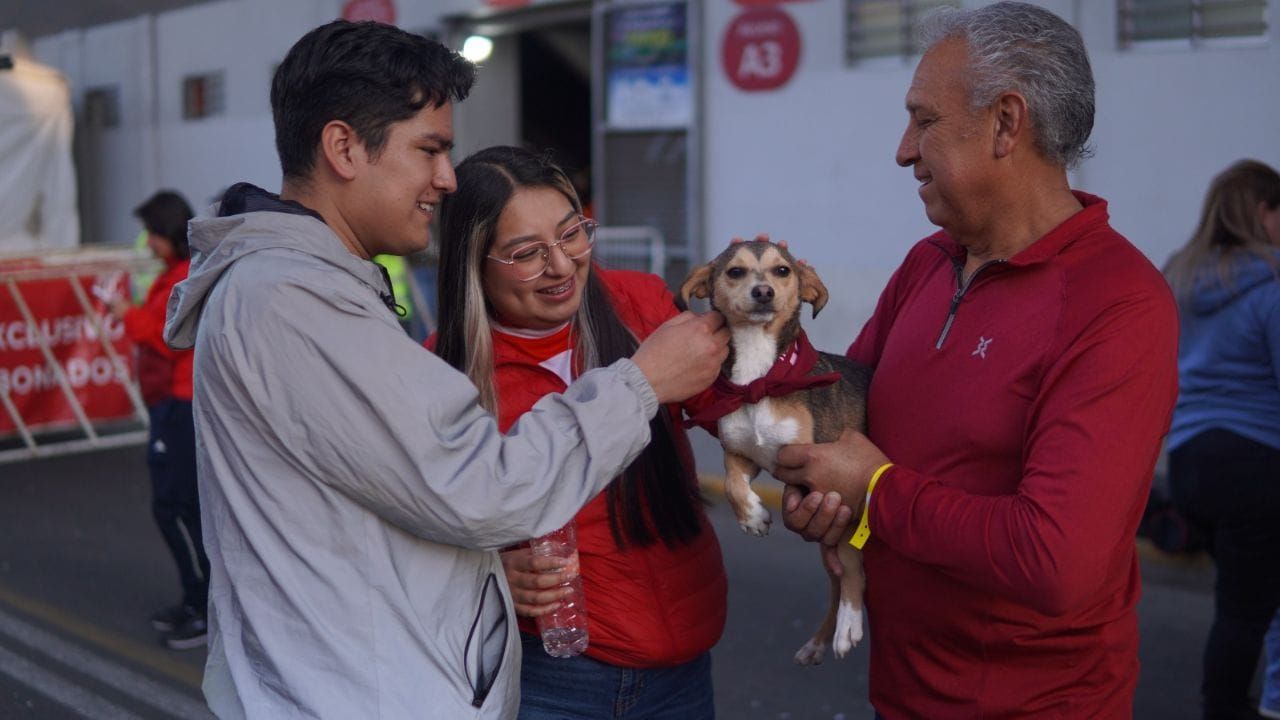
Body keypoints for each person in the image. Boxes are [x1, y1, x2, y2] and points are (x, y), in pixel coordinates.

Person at [160, 21, 728, 719]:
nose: (445, 178)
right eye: (428, 149)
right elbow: (481, 488)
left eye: (571, 232)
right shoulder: (295, 303)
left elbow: (402, 510)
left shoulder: (308, 292)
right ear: (342, 146)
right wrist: (640, 385)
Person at [770, 3, 1179, 717]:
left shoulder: (1118, 303)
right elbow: (842, 427)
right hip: (903, 693)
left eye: (924, 120)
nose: (903, 149)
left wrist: (875, 492)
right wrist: (823, 493)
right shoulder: (929, 264)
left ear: (1006, 123)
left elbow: (1056, 563)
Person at [430, 146, 726, 720]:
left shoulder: (639, 304)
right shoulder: (443, 375)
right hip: (549, 676)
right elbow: (412, 531)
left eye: (572, 235)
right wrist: (485, 574)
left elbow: (737, 408)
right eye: (526, 253)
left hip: (686, 665)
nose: (562, 266)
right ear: (472, 262)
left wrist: (757, 314)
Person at [1163, 158, 1280, 720]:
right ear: (1262, 213)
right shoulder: (1274, 282)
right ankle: (1226, 709)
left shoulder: (1178, 279)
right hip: (1256, 464)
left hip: (1190, 464)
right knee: (1246, 611)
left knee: (1245, 599)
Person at [109, 190, 210, 650]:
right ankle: (197, 601)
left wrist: (124, 315)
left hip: (181, 401)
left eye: (152, 232)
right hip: (170, 402)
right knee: (178, 507)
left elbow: (165, 335)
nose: (146, 242)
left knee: (176, 507)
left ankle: (204, 606)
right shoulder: (177, 274)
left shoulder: (185, 276)